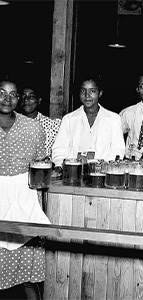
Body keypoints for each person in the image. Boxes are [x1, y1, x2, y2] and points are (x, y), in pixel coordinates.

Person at [0, 78, 50, 299]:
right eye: (1, 93)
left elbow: (42, 161)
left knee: (29, 270)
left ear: (18, 99)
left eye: (12, 94)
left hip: (24, 197)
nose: (7, 99)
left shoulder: (32, 127)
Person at [52, 73, 125, 175]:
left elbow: (118, 149)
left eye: (92, 91)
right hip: (73, 173)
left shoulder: (113, 119)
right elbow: (59, 148)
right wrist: (60, 166)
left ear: (100, 93)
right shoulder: (69, 119)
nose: (87, 95)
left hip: (102, 174)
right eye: (83, 91)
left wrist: (105, 166)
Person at [19, 83, 61, 157]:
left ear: (39, 100)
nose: (26, 100)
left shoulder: (53, 125)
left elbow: (59, 152)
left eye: (31, 97)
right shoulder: (13, 123)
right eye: (23, 96)